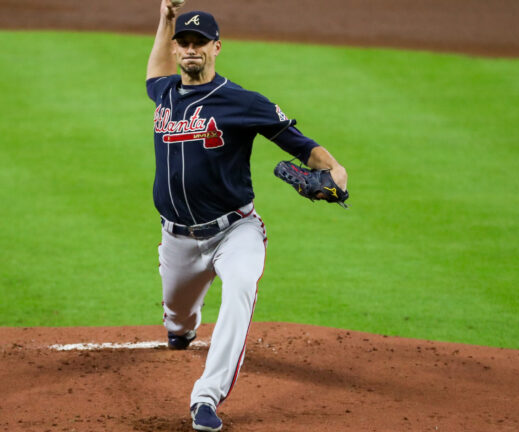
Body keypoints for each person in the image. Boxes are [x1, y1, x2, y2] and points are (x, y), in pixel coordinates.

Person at [146, 1, 348, 430]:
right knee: (178, 318)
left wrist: (335, 171)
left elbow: (301, 145)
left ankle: (206, 398)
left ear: (217, 47)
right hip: (177, 239)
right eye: (184, 42)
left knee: (239, 287)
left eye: (199, 42)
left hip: (234, 229)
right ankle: (182, 329)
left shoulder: (241, 101)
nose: (190, 49)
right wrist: (165, 19)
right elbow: (153, 72)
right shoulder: (163, 92)